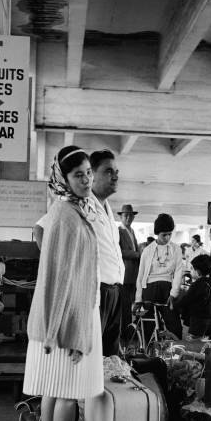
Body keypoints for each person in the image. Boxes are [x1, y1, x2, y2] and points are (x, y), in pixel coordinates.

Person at [23, 145, 101, 421]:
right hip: (69, 320)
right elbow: (64, 279)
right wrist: (69, 332)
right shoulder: (68, 217)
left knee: (52, 391)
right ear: (63, 179)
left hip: (56, 322)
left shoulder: (65, 210)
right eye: (78, 175)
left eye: (88, 172)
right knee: (69, 393)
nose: (86, 180)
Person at [89, 149, 125, 356]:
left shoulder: (107, 207)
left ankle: (106, 389)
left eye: (116, 171)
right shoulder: (81, 203)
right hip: (96, 290)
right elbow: (41, 230)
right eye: (108, 171)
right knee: (92, 355)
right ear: (91, 175)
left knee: (110, 354)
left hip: (114, 291)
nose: (115, 175)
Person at [134, 213, 183, 340]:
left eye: (169, 234)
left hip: (168, 290)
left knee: (175, 326)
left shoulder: (176, 249)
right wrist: (138, 299)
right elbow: (140, 275)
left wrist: (174, 293)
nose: (167, 237)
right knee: (148, 326)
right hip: (149, 289)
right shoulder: (148, 250)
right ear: (157, 233)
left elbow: (178, 272)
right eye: (164, 234)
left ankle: (177, 353)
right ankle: (147, 354)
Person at [175, 254, 211, 339]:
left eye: (191, 269)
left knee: (195, 343)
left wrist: (175, 305)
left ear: (198, 272)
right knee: (206, 342)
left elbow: (186, 300)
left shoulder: (196, 285)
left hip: (198, 320)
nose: (190, 271)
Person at [117, 204, 140, 339]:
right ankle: (124, 333)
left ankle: (128, 330)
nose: (128, 217)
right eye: (125, 215)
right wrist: (136, 254)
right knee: (125, 306)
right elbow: (118, 250)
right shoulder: (119, 231)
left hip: (132, 275)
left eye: (131, 215)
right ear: (121, 217)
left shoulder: (131, 231)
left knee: (130, 304)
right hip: (124, 275)